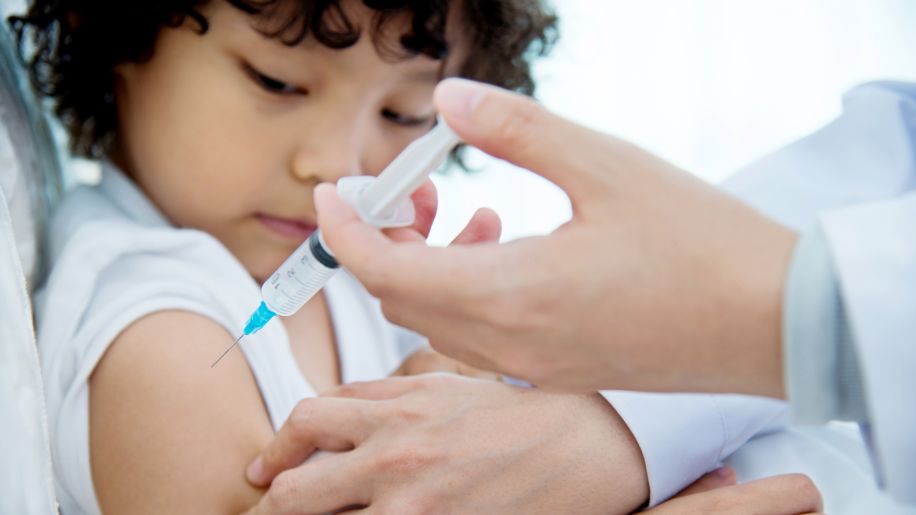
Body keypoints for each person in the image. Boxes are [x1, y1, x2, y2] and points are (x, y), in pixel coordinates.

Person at [260, 77, 915, 504]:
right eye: (274, 82)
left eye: (403, 112)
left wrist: (613, 419)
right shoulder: (174, 305)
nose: (337, 163)